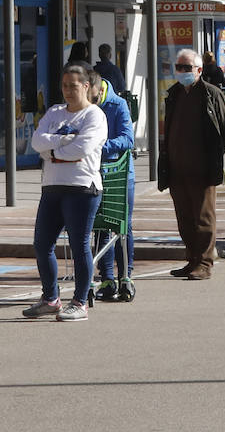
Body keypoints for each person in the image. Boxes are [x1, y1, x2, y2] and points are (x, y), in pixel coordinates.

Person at [24, 64, 108, 321]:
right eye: (64, 86)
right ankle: (50, 298)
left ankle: (80, 301)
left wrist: (52, 152)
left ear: (86, 86)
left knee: (79, 244)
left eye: (73, 86)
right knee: (42, 244)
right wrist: (62, 143)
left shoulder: (94, 116)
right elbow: (36, 141)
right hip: (52, 187)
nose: (68, 91)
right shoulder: (54, 112)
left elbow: (82, 149)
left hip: (82, 188)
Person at [159, 49, 225, 279]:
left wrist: (213, 155)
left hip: (201, 168)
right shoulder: (174, 94)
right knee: (184, 217)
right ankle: (192, 259)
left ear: (199, 70)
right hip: (176, 167)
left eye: (186, 68)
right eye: (178, 67)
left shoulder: (211, 94)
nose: (181, 72)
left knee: (203, 217)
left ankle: (205, 262)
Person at [91, 76, 136, 301]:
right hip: (94, 173)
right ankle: (107, 278)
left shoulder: (117, 104)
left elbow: (128, 139)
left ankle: (125, 276)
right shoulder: (83, 105)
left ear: (99, 90)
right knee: (101, 227)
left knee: (122, 225)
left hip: (118, 174)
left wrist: (99, 145)